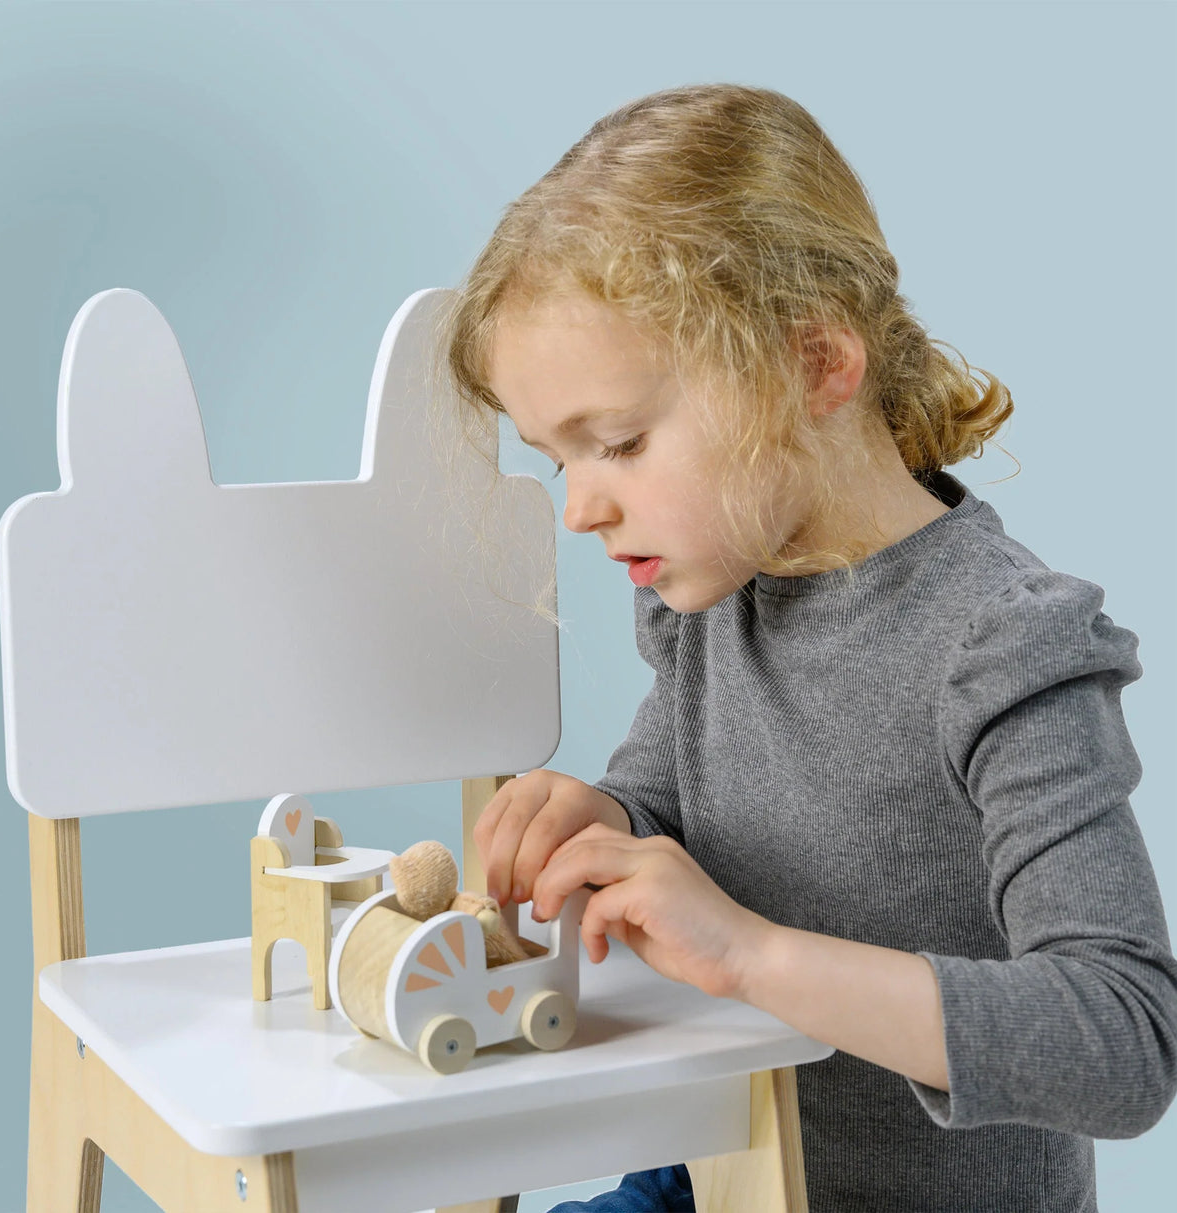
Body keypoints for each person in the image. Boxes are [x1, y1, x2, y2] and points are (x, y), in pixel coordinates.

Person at [441, 84, 1177, 1211]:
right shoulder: (707, 589)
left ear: (816, 364)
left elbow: (1122, 1040)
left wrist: (749, 957)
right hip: (712, 1175)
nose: (580, 506)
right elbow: (676, 786)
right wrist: (608, 821)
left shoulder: (1003, 646)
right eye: (557, 459)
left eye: (620, 443)